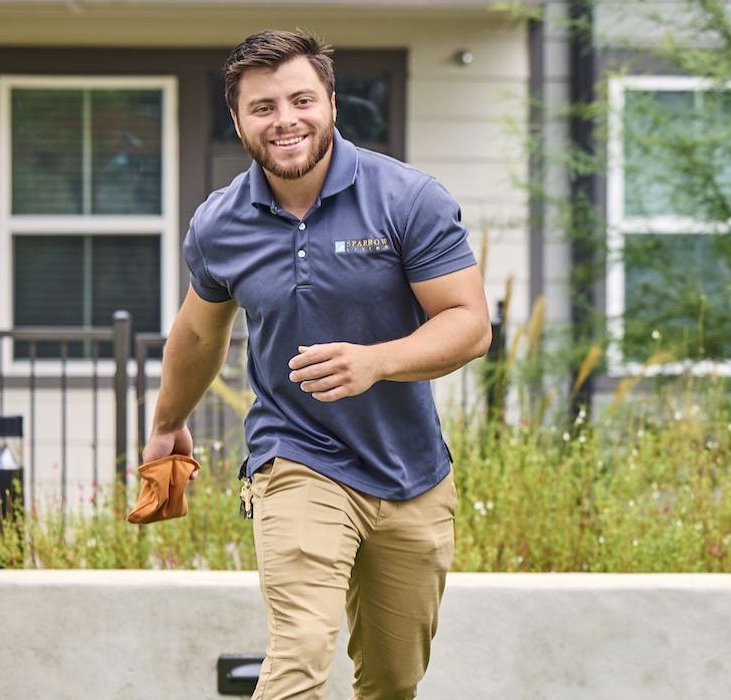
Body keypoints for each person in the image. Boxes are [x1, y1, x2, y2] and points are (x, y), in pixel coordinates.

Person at [141, 29, 490, 700]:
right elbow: (196, 334)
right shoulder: (221, 225)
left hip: (410, 473)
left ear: (331, 102)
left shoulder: (406, 198)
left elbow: (470, 324)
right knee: (299, 647)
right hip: (296, 457)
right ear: (239, 120)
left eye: (301, 99)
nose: (285, 121)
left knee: (393, 678)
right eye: (263, 107)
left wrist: (377, 362)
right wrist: (166, 424)